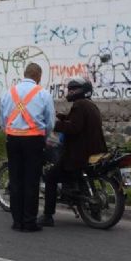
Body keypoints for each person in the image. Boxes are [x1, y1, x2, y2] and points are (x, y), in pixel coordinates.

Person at [38, 77, 107, 227]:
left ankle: (47, 216)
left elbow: (74, 128)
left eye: (73, 89)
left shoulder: (79, 105)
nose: (70, 92)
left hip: (79, 154)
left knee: (50, 177)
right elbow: (77, 122)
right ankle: (93, 211)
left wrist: (54, 125)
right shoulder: (90, 105)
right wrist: (62, 117)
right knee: (73, 175)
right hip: (93, 151)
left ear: (81, 91)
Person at [0, 63, 55, 232]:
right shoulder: (43, 94)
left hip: (13, 140)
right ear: (38, 76)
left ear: (25, 74)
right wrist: (44, 137)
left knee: (16, 180)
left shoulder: (9, 93)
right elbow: (50, 121)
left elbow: (3, 119)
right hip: (33, 141)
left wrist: (10, 132)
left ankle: (17, 221)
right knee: (31, 181)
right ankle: (29, 221)